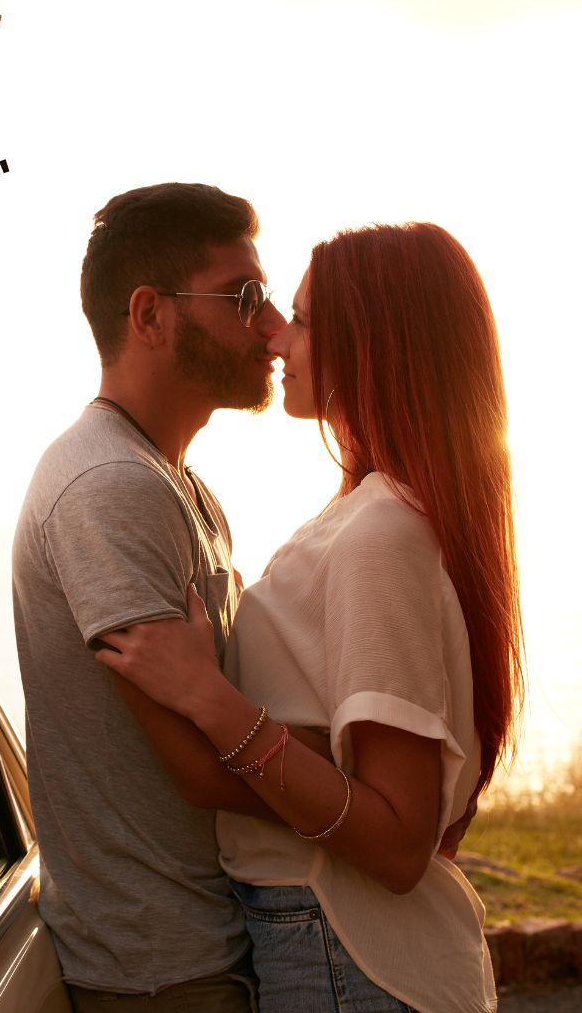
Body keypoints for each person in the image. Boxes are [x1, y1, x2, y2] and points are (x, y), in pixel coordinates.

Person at [96, 222, 524, 1012]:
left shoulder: (379, 536)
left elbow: (399, 844)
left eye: (299, 317)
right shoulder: (370, 517)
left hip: (348, 955)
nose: (275, 337)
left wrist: (207, 699)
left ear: (369, 344)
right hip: (336, 945)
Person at [13, 181, 300, 1011]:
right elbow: (200, 767)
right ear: (149, 316)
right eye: (242, 296)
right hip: (164, 973)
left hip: (199, 948)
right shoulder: (110, 486)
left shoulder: (174, 484)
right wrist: (374, 800)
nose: (270, 323)